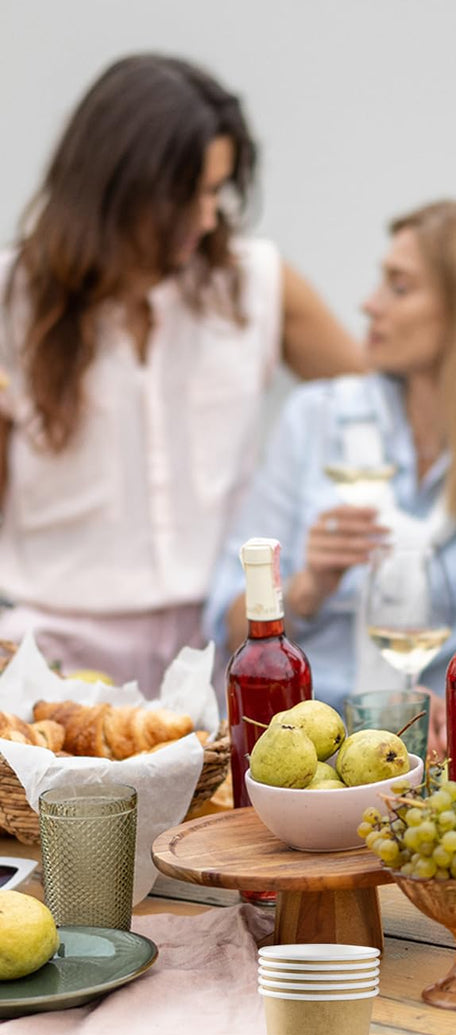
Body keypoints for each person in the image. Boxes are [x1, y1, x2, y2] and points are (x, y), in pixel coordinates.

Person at [0, 53, 364, 697]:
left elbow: (378, 403)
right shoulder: (11, 300)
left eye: (217, 191)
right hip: (47, 657)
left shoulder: (255, 281)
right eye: (186, 195)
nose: (206, 216)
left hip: (222, 650)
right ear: (112, 189)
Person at [203, 199, 456, 748]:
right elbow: (222, 621)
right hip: (307, 755)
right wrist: (309, 587)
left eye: (399, 287)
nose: (369, 304)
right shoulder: (318, 417)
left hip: (453, 756)